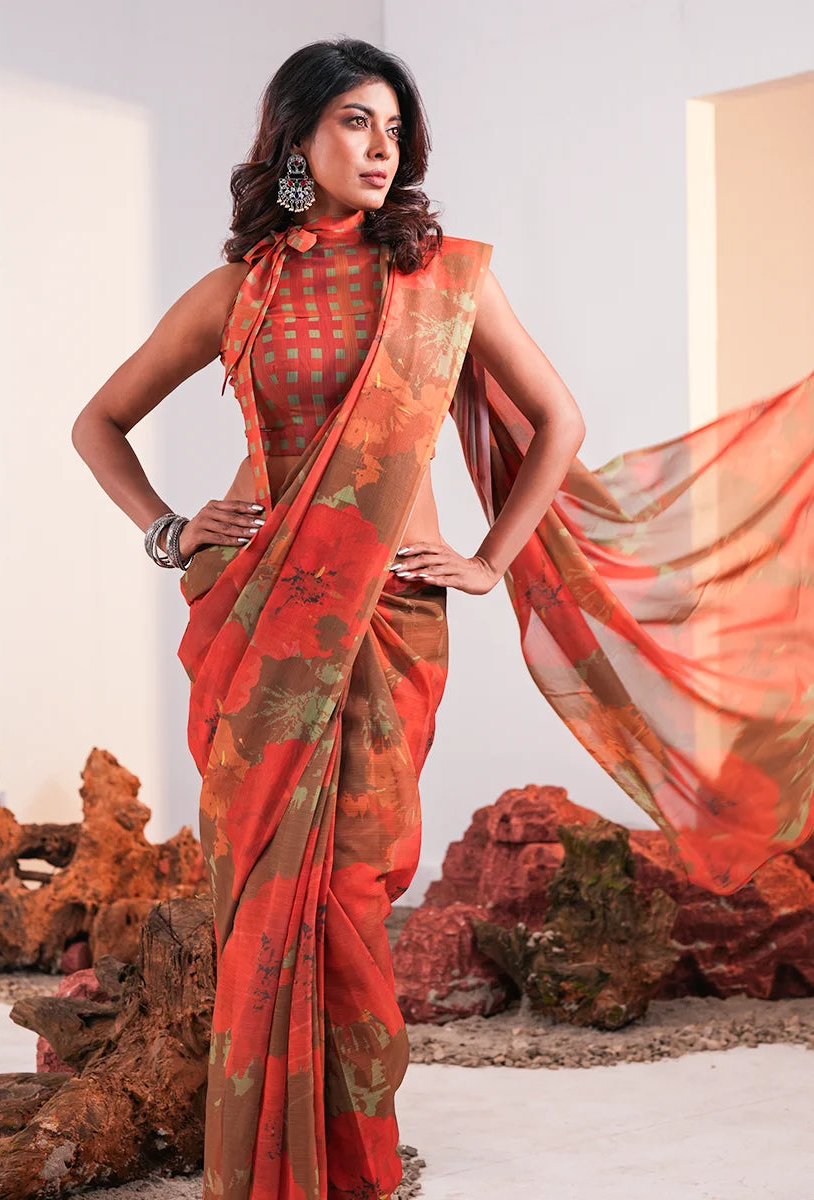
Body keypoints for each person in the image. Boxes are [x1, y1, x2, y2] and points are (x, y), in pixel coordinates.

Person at [71, 36, 814, 1200]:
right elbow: (98, 422)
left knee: (351, 892)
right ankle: (265, 1167)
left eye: (395, 129)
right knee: (260, 897)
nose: (382, 148)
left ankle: (353, 1164)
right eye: (355, 122)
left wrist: (486, 560)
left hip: (389, 616)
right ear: (295, 138)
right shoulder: (238, 292)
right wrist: (170, 529)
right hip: (262, 621)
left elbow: (558, 422)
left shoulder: (445, 281)